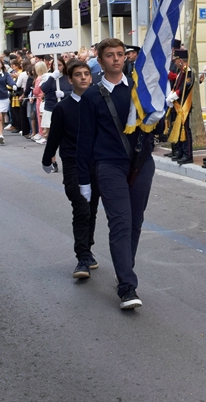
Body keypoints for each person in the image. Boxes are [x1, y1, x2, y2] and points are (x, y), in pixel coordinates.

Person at [75, 38, 158, 310]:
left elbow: (152, 128)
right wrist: (84, 181)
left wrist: (162, 108)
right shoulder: (91, 96)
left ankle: (124, 268)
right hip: (109, 165)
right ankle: (127, 286)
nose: (116, 59)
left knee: (135, 222)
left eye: (120, 54)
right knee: (120, 222)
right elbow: (84, 141)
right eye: (109, 55)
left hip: (141, 164)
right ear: (99, 61)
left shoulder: (139, 90)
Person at [43, 59, 101, 279]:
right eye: (78, 74)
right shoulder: (63, 107)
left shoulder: (99, 102)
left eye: (87, 73)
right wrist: (47, 159)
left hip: (96, 163)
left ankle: (88, 247)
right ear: (70, 79)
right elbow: (54, 137)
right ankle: (82, 258)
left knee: (92, 208)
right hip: (73, 163)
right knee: (81, 206)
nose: (84, 77)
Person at [166, 50, 194, 164]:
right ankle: (181, 152)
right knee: (178, 129)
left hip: (184, 105)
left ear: (181, 61)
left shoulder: (189, 72)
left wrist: (175, 95)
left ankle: (188, 155)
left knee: (185, 130)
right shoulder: (181, 71)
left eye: (176, 60)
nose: (175, 63)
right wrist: (171, 95)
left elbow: (186, 86)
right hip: (177, 105)